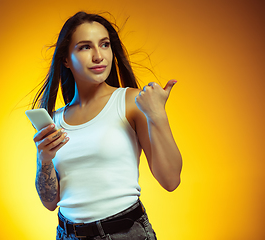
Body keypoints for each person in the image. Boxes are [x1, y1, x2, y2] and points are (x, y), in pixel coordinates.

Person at [31, 11, 182, 240]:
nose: (99, 56)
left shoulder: (130, 101)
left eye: (104, 44)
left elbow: (171, 181)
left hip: (125, 233)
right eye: (85, 47)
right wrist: (43, 160)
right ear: (65, 59)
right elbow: (50, 202)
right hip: (67, 235)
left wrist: (157, 116)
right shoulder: (55, 120)